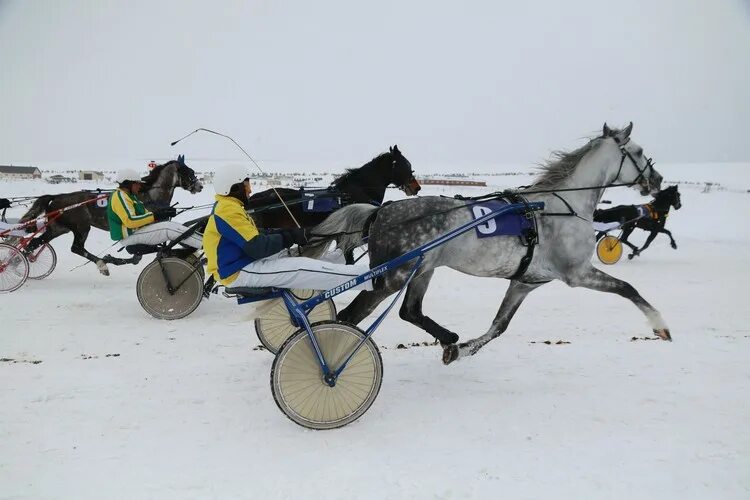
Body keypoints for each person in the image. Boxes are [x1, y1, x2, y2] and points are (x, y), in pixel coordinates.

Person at [203, 164, 373, 291]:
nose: (250, 190)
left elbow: (254, 235)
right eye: (247, 185)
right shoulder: (227, 210)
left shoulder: (230, 207)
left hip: (244, 261)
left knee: (296, 255)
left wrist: (289, 233)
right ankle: (369, 278)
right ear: (235, 187)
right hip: (237, 271)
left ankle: (340, 259)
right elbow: (257, 247)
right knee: (300, 268)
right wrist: (290, 236)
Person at [107, 168, 202, 249]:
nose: (140, 186)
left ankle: (202, 241)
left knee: (169, 225)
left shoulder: (131, 196)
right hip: (129, 236)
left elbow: (146, 214)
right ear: (128, 184)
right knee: (167, 229)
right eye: (137, 183)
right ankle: (204, 244)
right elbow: (130, 221)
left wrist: (163, 213)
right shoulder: (120, 196)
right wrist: (156, 215)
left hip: (136, 232)